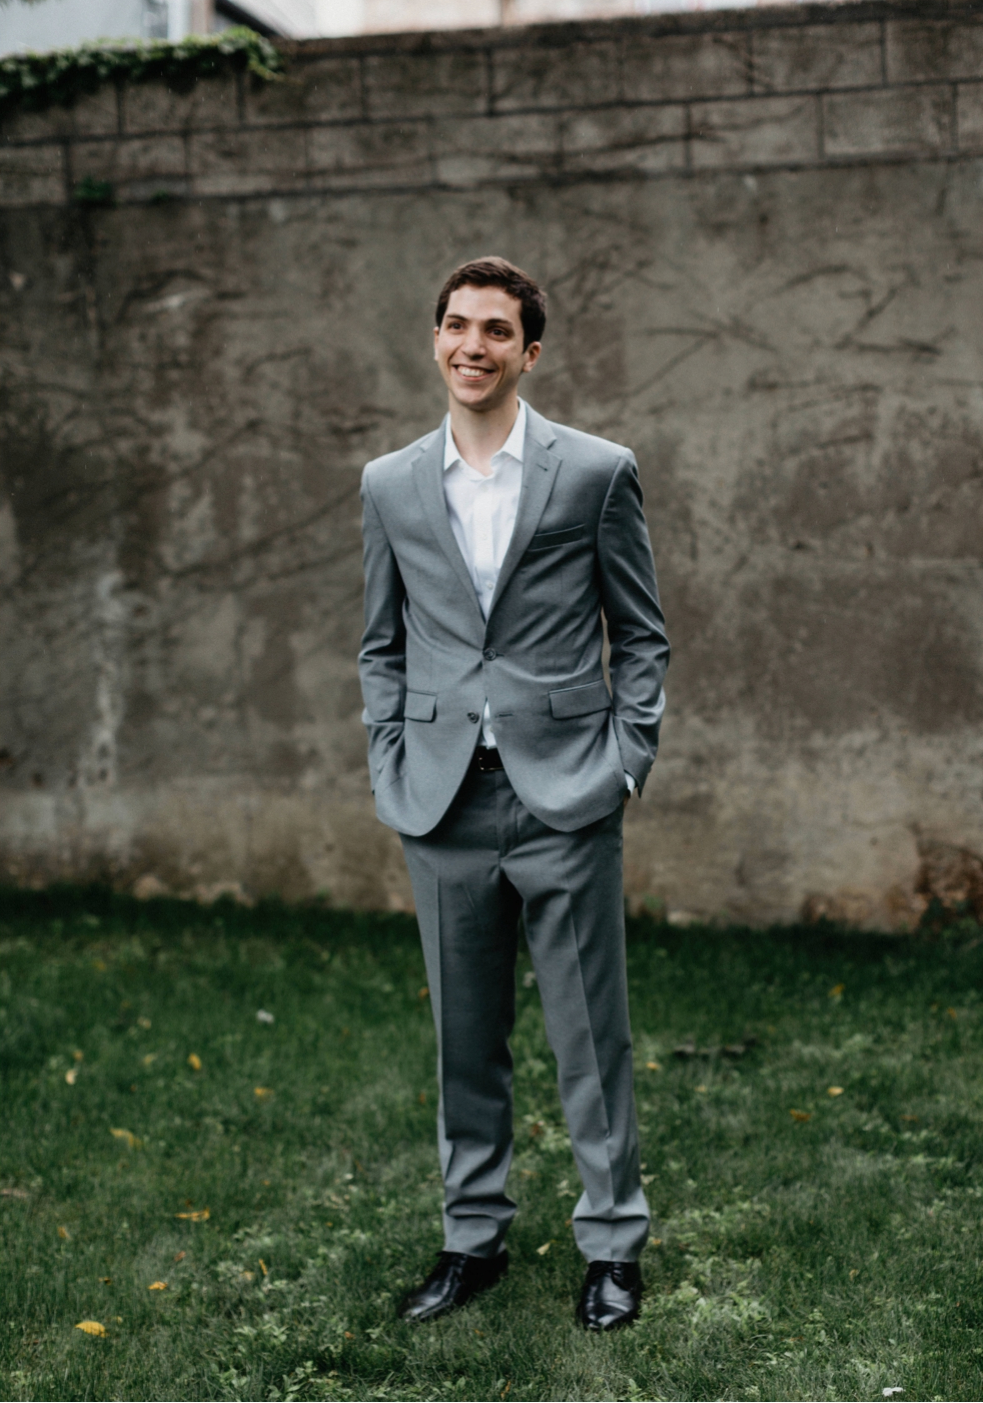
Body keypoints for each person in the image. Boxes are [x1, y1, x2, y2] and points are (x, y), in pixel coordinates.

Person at [358, 256, 669, 1331]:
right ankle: (470, 1238)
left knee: (591, 1034)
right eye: (455, 325)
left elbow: (640, 632)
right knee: (464, 1037)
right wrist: (389, 754)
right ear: (435, 339)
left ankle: (613, 1245)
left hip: (565, 795)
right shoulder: (390, 483)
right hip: (439, 802)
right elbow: (379, 644)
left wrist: (625, 760)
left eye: (496, 330)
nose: (471, 346)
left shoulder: (594, 472)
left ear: (529, 352)